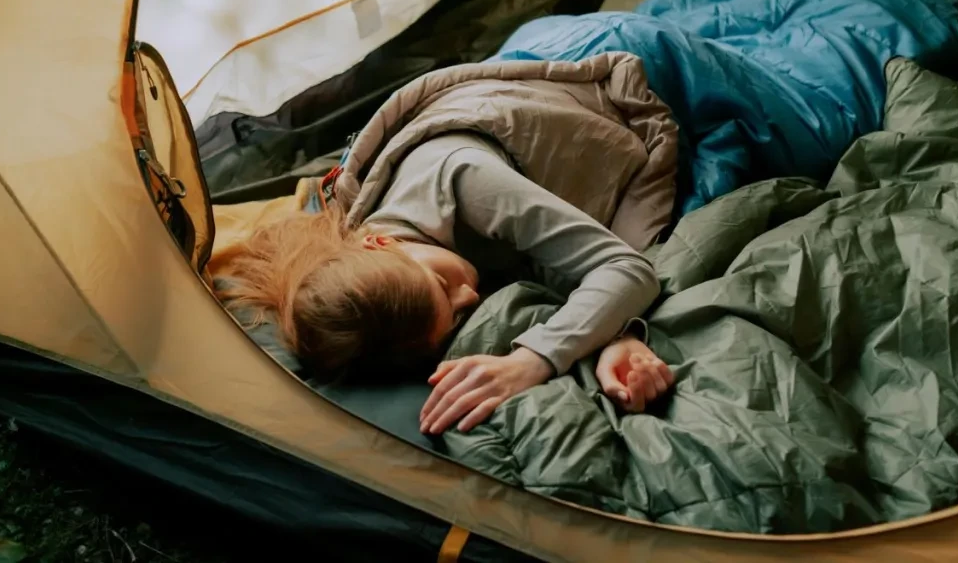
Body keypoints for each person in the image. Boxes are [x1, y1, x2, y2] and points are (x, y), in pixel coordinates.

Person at [211, 54, 678, 436]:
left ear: (377, 242)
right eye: (456, 316)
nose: (469, 296)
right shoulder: (389, 276)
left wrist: (533, 359)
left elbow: (625, 265)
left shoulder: (463, 179)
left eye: (443, 284)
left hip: (579, 76)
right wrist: (613, 335)